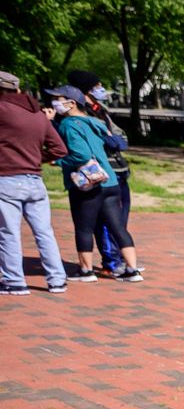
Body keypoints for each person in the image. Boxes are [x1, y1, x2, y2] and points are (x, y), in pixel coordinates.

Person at [48, 86, 141, 282]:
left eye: (58, 99)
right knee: (118, 227)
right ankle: (132, 269)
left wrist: (57, 161)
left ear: (72, 103)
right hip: (110, 180)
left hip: (88, 184)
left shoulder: (68, 124)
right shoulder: (95, 122)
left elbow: (80, 154)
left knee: (84, 227)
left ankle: (86, 270)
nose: (54, 103)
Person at [0, 75, 70, 295]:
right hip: (35, 181)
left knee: (9, 232)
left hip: (7, 179)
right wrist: (34, 159)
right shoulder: (38, 115)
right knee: (44, 232)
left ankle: (14, 281)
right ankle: (57, 280)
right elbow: (60, 150)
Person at [69, 70, 131, 273]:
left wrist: (115, 139)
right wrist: (111, 139)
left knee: (118, 220)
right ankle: (111, 262)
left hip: (118, 171)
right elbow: (103, 140)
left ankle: (123, 260)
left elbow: (120, 137)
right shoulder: (80, 114)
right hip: (100, 173)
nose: (100, 89)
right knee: (103, 221)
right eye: (96, 86)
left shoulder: (100, 110)